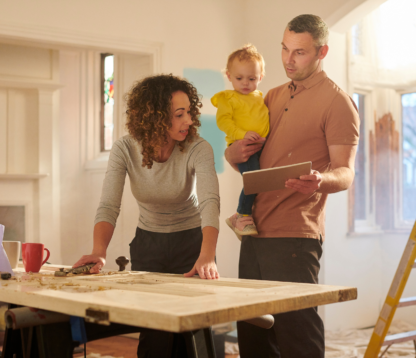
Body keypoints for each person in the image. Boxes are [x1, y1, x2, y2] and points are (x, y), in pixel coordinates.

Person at [225, 14, 360, 358]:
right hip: (253, 230)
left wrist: (319, 181)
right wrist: (233, 152)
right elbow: (246, 160)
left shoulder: (338, 103)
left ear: (321, 51)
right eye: (285, 49)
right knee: (253, 333)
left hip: (295, 235)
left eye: (299, 52)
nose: (288, 59)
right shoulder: (268, 95)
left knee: (296, 333)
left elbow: (346, 172)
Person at [73, 74, 220, 358]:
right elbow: (108, 204)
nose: (188, 120)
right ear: (154, 117)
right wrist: (99, 251)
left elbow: (210, 202)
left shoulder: (198, 148)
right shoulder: (124, 149)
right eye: (179, 114)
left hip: (192, 244)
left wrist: (208, 255)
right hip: (148, 244)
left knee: (194, 338)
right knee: (155, 340)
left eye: (189, 112)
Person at [211, 44, 269, 239]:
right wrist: (241, 134)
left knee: (262, 181)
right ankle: (242, 215)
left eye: (251, 78)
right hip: (242, 146)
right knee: (254, 179)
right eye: (239, 78)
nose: (245, 83)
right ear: (228, 76)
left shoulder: (260, 97)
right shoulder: (228, 98)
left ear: (260, 77)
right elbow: (223, 122)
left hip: (261, 146)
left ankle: (239, 216)